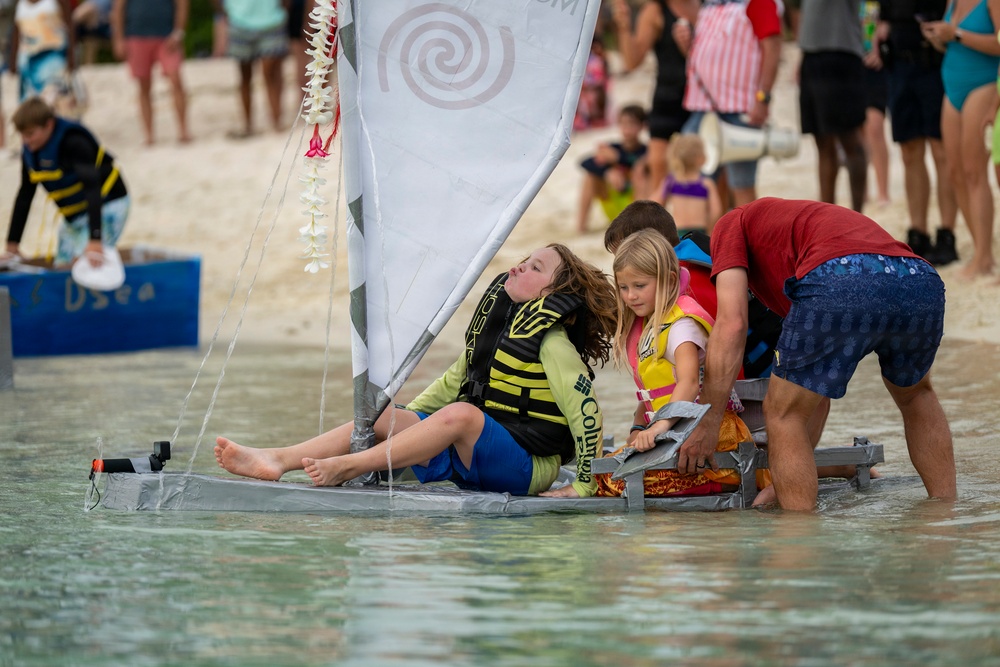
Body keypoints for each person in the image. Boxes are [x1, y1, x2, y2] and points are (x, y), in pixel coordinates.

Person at [215, 245, 618, 498]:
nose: (516, 268)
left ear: (552, 293)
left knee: (462, 416)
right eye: (521, 262)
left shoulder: (552, 344)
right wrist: (402, 423)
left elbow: (587, 412)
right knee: (384, 414)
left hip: (527, 468)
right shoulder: (496, 335)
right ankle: (277, 459)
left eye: (534, 268)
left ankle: (349, 467)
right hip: (472, 455)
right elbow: (450, 387)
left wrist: (583, 484)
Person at [682, 198, 955, 511]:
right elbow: (815, 394)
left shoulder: (730, 224)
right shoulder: (796, 229)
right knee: (917, 396)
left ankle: (798, 541)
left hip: (839, 275)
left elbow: (732, 325)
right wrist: (783, 479)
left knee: (782, 412)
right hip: (918, 276)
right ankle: (945, 513)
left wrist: (708, 419)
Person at [596, 229, 770, 498]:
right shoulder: (650, 324)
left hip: (709, 435)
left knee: (615, 482)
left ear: (670, 280)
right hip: (672, 432)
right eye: (624, 287)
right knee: (603, 475)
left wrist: (659, 427)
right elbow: (653, 392)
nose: (630, 296)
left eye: (639, 286)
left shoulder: (681, 325)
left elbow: (688, 384)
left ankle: (725, 482)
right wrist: (638, 428)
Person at [870, 0, 959, 266]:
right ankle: (917, 231)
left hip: (934, 62)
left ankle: (947, 233)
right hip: (900, 65)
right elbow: (884, 16)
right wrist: (881, 30)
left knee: (940, 150)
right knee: (909, 150)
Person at [676, 0, 783, 209]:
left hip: (740, 107)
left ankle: (745, 239)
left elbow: (773, 47)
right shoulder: (710, 4)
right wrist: (685, 44)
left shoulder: (757, 2)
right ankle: (708, 238)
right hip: (703, 106)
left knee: (741, 186)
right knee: (692, 180)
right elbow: (700, 53)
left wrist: (764, 98)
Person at [920, 0, 1000, 277]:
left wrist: (956, 34)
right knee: (955, 173)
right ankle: (980, 248)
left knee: (974, 171)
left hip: (984, 83)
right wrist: (939, 37)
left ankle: (985, 257)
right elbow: (951, 40)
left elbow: (999, 43)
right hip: (952, 84)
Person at [2, 97, 129, 267]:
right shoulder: (31, 151)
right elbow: (25, 195)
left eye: (31, 134)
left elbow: (92, 188)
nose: (26, 141)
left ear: (49, 125)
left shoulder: (74, 142)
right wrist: (12, 246)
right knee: (61, 265)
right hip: (75, 216)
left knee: (83, 264)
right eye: (23, 135)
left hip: (108, 205)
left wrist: (95, 239)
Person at [613, 0, 700, 201]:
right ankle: (654, 231)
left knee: (705, 173)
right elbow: (632, 61)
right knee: (659, 174)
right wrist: (624, 26)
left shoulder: (708, 6)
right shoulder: (656, 10)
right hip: (667, 101)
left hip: (701, 101)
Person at [794, 0, 869, 212]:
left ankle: (858, 216)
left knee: (850, 141)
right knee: (822, 142)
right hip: (811, 52)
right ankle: (827, 218)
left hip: (841, 54)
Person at [110, 0, 191, 145]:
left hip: (166, 36)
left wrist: (178, 33)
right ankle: (149, 135)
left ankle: (183, 130)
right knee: (144, 86)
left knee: (176, 81)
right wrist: (119, 39)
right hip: (136, 36)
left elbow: (182, 4)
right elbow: (118, 9)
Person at [212, 0, 288, 138]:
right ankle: (249, 124)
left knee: (270, 73)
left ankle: (276, 120)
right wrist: (228, 11)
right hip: (240, 21)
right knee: (246, 76)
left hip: (271, 20)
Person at [576, 104, 648, 233]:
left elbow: (640, 164)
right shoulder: (613, 147)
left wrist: (618, 158)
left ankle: (639, 224)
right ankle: (581, 227)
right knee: (590, 176)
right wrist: (607, 171)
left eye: (632, 124)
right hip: (613, 201)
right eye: (623, 124)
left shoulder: (645, 151)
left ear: (642, 126)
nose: (627, 129)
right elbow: (585, 162)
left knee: (641, 172)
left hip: (635, 202)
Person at [11, 0, 77, 114]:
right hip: (27, 61)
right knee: (30, 105)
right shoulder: (21, 3)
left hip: (54, 58)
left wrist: (72, 56)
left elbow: (69, 26)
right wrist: (13, 60)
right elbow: (17, 33)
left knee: (55, 102)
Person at [659, 133, 722, 236]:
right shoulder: (706, 184)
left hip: (677, 233)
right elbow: (716, 211)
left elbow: (656, 203)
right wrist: (709, 229)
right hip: (699, 232)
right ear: (700, 158)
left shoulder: (671, 182)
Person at [861, 0, 892, 208]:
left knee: (875, 127)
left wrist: (881, 50)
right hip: (852, 63)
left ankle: (883, 192)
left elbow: (890, 21)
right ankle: (863, 190)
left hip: (876, 66)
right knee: (857, 130)